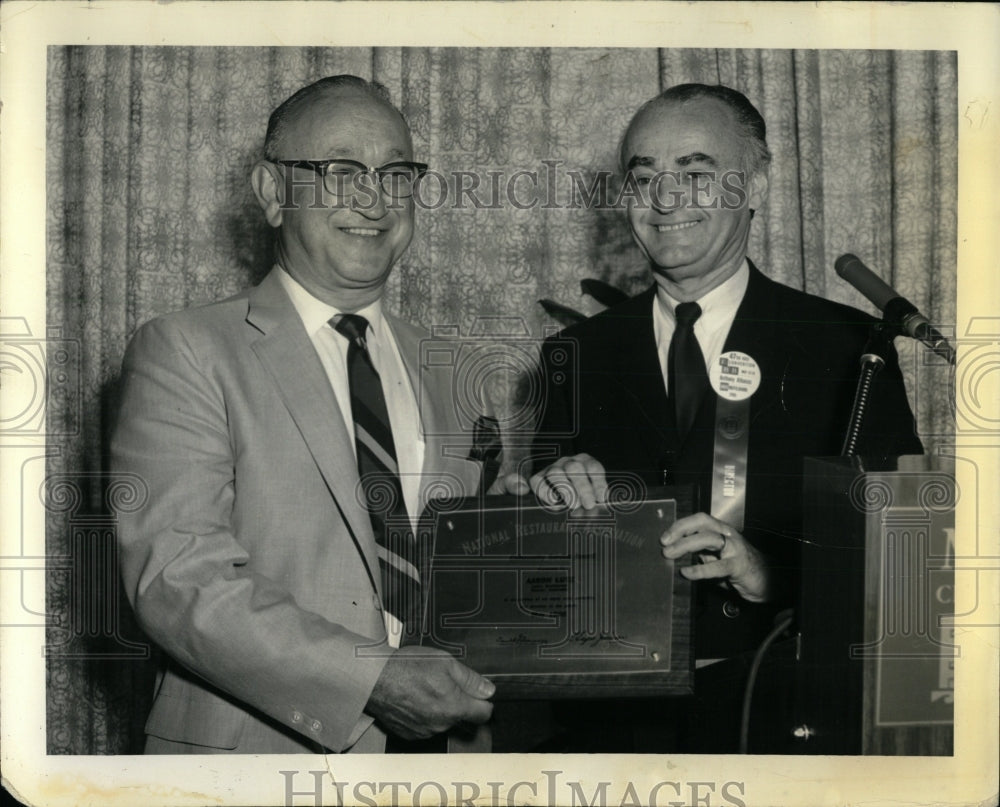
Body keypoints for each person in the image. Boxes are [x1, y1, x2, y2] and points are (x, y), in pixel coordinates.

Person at [527, 83, 923, 751]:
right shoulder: (576, 353)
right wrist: (547, 496)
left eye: (696, 173)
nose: (666, 198)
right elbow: (536, 560)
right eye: (644, 176)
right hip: (604, 722)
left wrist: (764, 572)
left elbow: (899, 561)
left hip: (773, 710)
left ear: (757, 185)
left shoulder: (850, 347)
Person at [112, 75, 497, 754]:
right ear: (271, 193)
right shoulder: (187, 349)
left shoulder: (457, 370)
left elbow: (478, 561)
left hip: (445, 763)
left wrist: (561, 504)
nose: (373, 197)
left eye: (395, 172)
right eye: (340, 170)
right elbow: (179, 578)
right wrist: (371, 679)